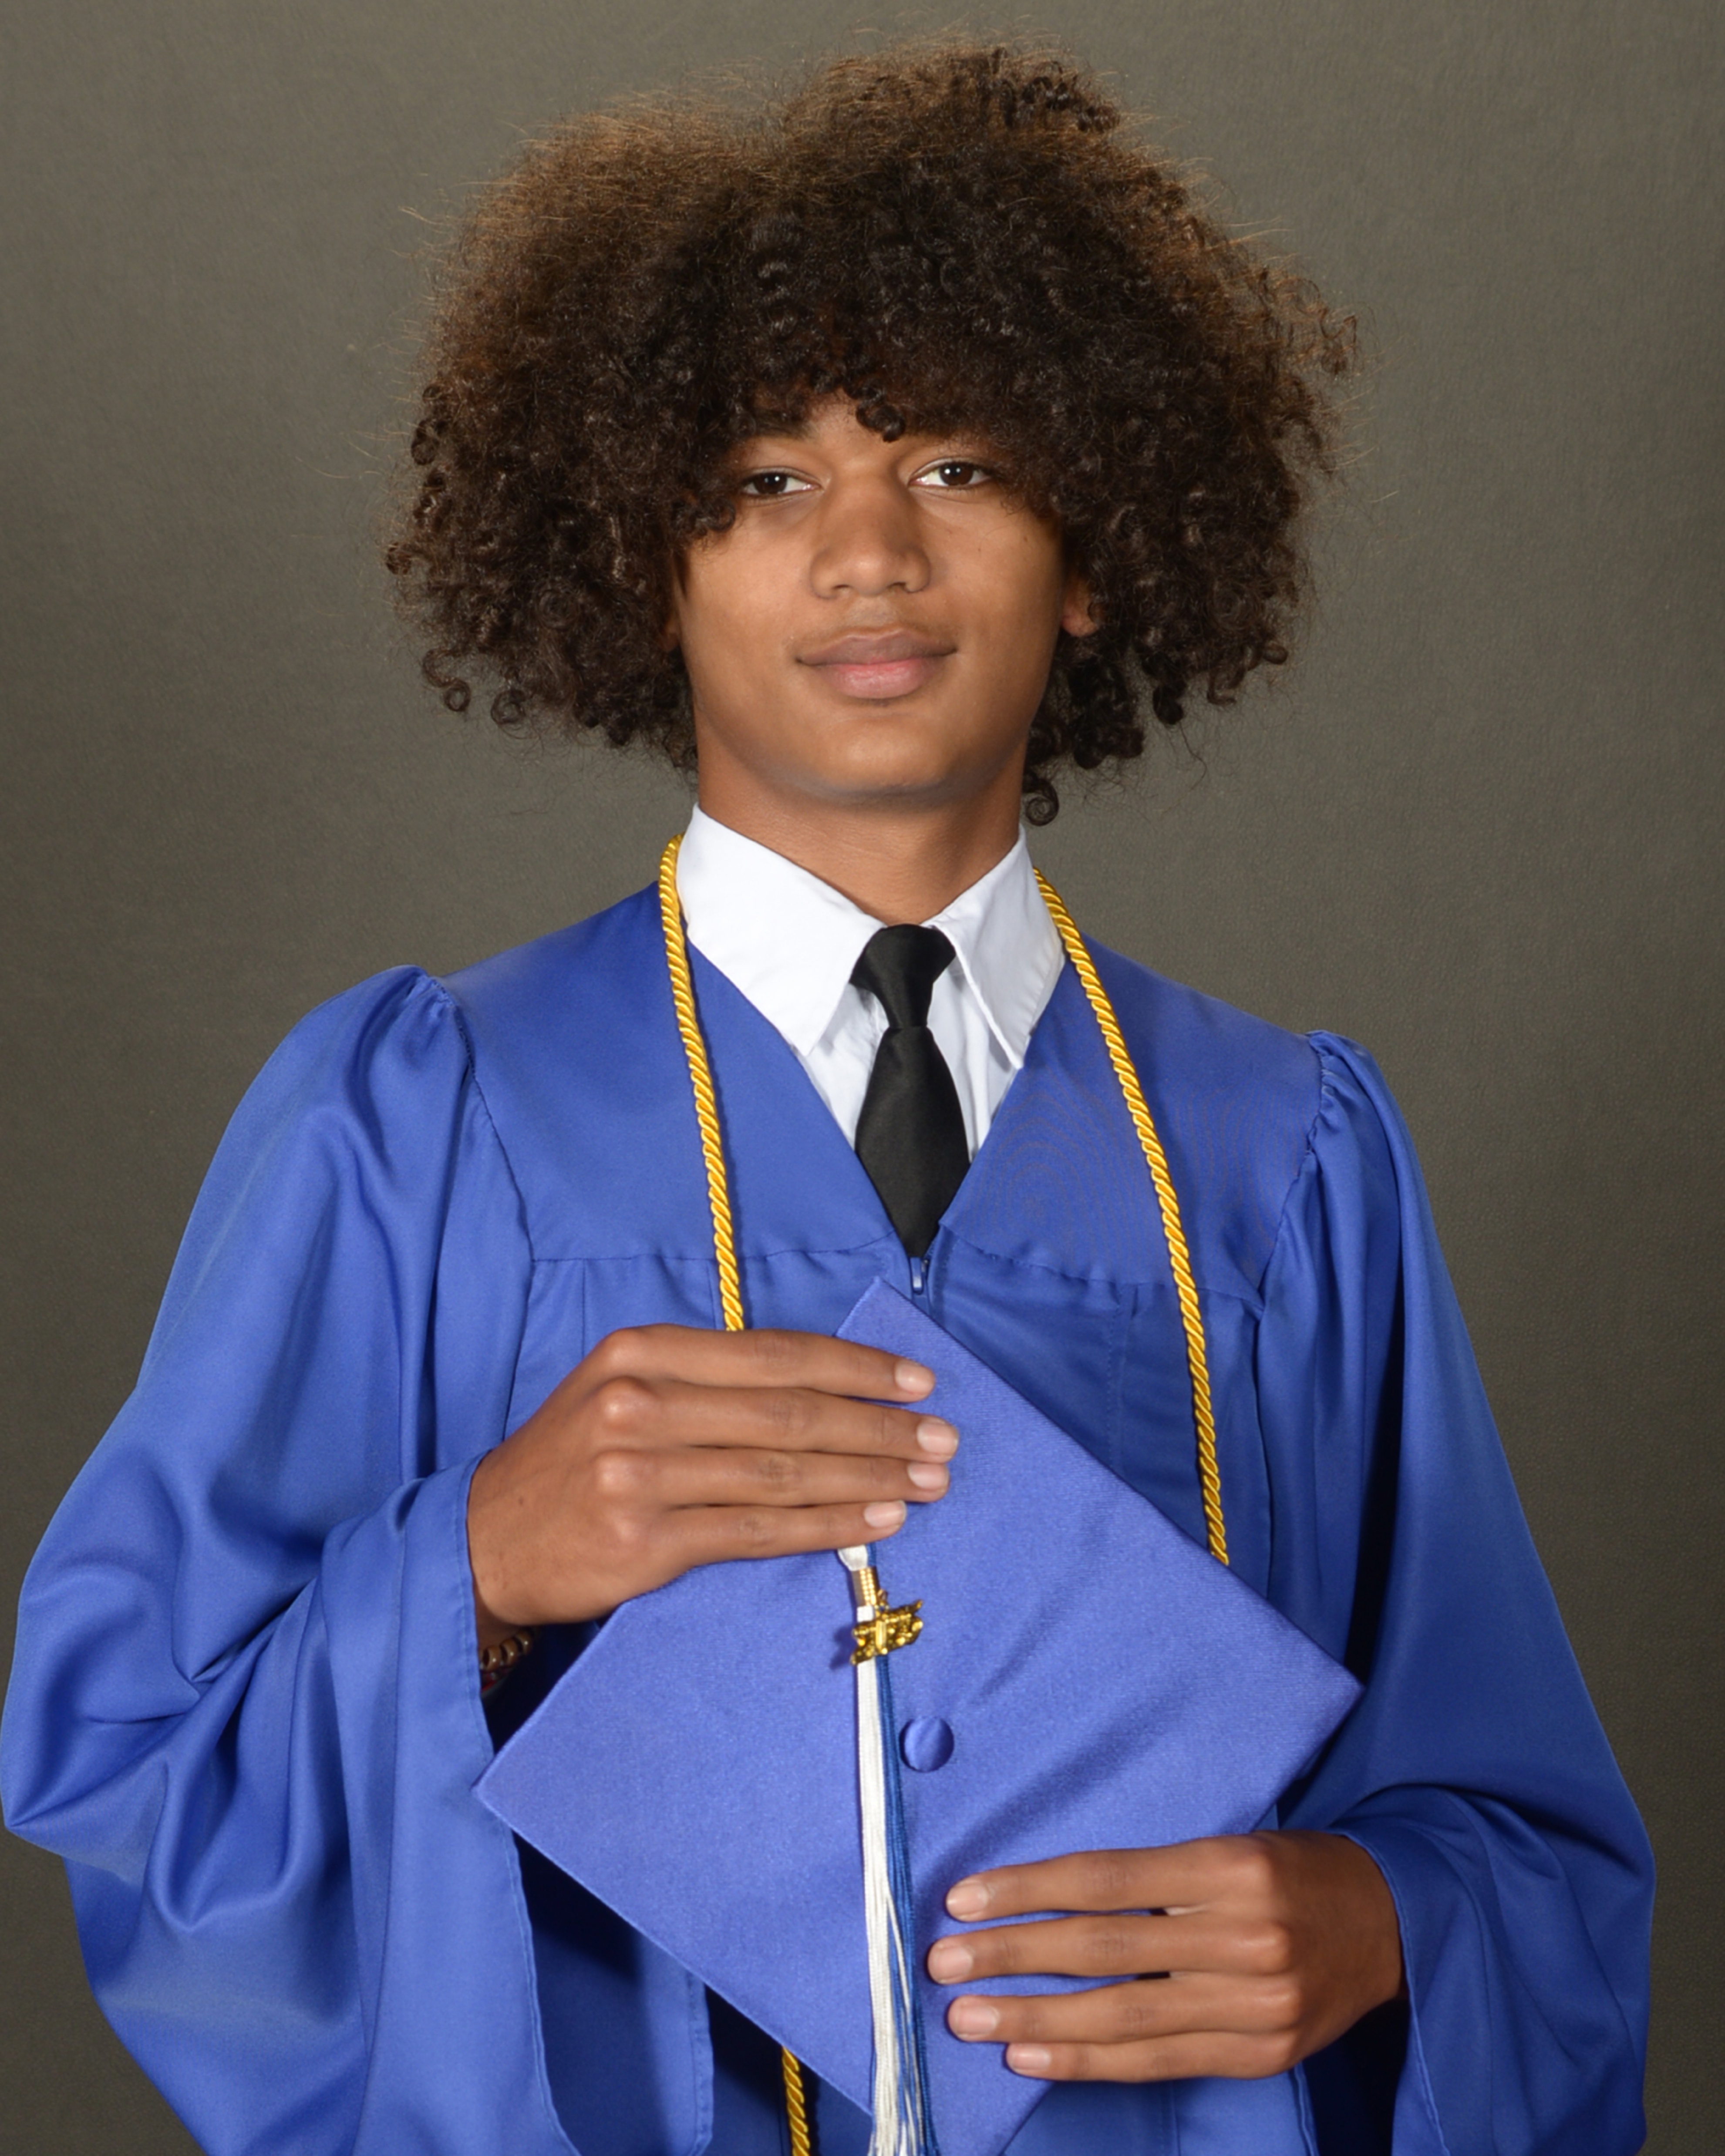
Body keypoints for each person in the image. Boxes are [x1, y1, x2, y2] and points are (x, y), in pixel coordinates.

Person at [1, 38, 1651, 2156]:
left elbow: (1527, 1839)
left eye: (957, 465)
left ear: (1092, 547)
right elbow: (133, 1761)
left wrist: (1377, 1916)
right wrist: (475, 1565)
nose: (868, 553)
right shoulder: (412, 1121)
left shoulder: (1284, 1161)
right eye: (768, 481)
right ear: (643, 564)